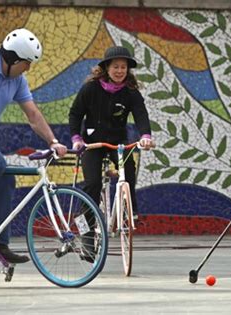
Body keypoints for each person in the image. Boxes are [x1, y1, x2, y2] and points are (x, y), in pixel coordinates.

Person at [0, 28, 67, 263]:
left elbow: (33, 115)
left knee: (4, 177)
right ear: (12, 59)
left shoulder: (17, 80)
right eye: (26, 63)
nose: (28, 68)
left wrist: (53, 141)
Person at [69, 46, 154, 261]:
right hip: (92, 143)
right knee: (92, 185)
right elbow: (75, 113)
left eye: (123, 67)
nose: (119, 71)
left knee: (129, 165)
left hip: (117, 142)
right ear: (106, 68)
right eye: (115, 66)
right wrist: (77, 139)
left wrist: (145, 135)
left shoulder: (130, 92)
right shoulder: (90, 88)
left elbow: (141, 114)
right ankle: (87, 235)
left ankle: (130, 207)